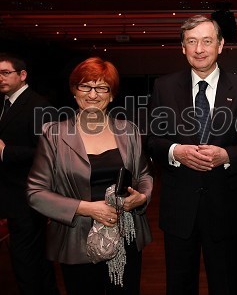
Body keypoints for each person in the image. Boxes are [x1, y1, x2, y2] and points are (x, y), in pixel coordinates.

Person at [147, 14, 237, 295]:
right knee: (179, 285)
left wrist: (227, 155)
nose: (199, 49)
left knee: (225, 284)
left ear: (220, 45)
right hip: (179, 208)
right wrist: (176, 151)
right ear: (183, 47)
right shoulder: (163, 87)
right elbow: (152, 140)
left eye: (207, 41)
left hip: (224, 207)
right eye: (192, 42)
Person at [26, 57, 153, 295]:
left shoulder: (129, 131)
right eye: (85, 86)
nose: (93, 94)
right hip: (77, 241)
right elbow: (35, 193)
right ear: (74, 91)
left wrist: (142, 197)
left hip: (125, 237)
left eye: (102, 87)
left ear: (112, 94)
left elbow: (144, 175)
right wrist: (87, 208)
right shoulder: (54, 134)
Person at [0, 53, 59, 295]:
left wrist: (6, 152)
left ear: (22, 75)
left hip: (28, 195)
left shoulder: (39, 106)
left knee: (25, 258)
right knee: (34, 257)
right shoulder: (4, 103)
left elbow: (48, 152)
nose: (0, 78)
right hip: (11, 195)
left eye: (5, 73)